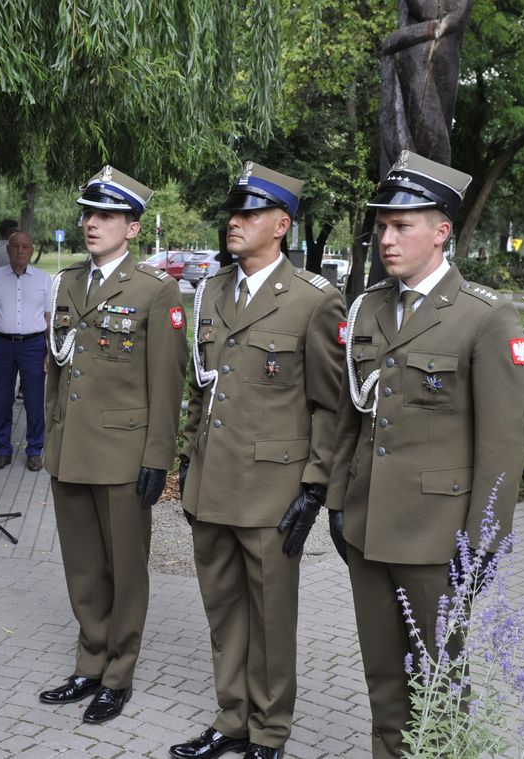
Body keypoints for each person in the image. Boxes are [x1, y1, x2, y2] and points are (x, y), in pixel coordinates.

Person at [326, 151, 524, 759]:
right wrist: (338, 499)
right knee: (384, 676)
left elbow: (503, 442)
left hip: (439, 536)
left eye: (402, 225)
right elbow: (351, 417)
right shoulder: (368, 307)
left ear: (441, 231)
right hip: (367, 524)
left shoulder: (486, 316)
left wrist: (483, 542)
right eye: (382, 226)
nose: (387, 238)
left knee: (439, 681)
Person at [173, 163, 344, 759]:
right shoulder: (212, 291)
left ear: (281, 225)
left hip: (272, 489)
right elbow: (202, 388)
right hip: (213, 482)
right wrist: (188, 457)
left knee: (270, 617)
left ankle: (270, 731)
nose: (234, 222)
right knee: (223, 610)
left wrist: (315, 485)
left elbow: (331, 404)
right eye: (234, 212)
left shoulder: (314, 301)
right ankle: (232, 717)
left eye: (248, 214)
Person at [37, 167, 187, 726]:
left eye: (104, 216)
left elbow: (166, 383)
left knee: (125, 569)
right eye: (87, 213)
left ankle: (118, 674)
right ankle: (89, 661)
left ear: (133, 227)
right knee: (82, 566)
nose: (90, 223)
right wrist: (51, 437)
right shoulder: (68, 282)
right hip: (71, 450)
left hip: (124, 457)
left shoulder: (155, 290)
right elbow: (56, 367)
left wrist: (157, 458)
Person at [0, 231, 51, 471]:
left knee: (34, 400)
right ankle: (2, 450)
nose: (20, 250)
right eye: (16, 246)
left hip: (33, 345)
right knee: (1, 399)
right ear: (8, 250)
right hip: (1, 346)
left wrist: (51, 351)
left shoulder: (43, 279)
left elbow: (50, 317)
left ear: (31, 250)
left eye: (25, 247)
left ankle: (34, 451)